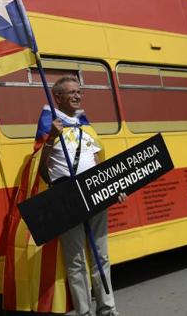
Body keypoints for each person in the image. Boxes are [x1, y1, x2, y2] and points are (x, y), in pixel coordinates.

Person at [38, 75, 125, 316]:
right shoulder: (48, 125)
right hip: (66, 198)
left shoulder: (86, 125)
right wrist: (50, 139)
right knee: (75, 262)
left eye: (79, 91)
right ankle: (84, 312)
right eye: (71, 92)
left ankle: (107, 309)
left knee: (101, 256)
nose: (77, 96)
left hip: (95, 194)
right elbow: (41, 171)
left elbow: (99, 161)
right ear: (57, 97)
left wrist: (113, 188)